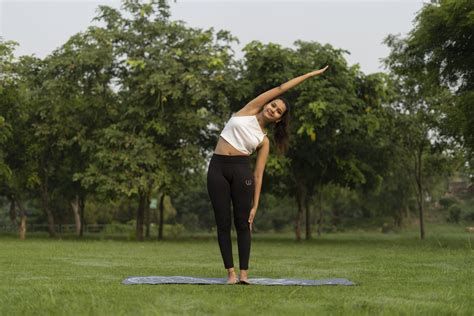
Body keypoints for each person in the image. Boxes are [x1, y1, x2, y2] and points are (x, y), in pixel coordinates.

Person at [207, 66, 329, 284]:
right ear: (266, 104)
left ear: (279, 119)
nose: (273, 109)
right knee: (223, 222)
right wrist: (309, 75)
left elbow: (258, 175)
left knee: (243, 223)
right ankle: (231, 273)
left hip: (240, 170)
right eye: (273, 105)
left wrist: (256, 205)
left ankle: (244, 274)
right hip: (217, 168)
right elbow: (281, 87)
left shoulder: (264, 141)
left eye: (278, 111)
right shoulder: (248, 110)